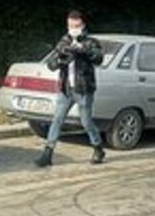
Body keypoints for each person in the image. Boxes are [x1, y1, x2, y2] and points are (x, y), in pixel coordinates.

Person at [35, 10, 106, 167]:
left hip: (84, 89)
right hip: (66, 89)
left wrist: (83, 50)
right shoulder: (64, 41)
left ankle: (98, 148)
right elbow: (51, 64)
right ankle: (47, 153)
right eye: (70, 25)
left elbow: (99, 58)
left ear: (83, 25)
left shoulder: (91, 41)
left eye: (76, 25)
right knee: (57, 120)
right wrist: (61, 59)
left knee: (86, 122)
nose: (73, 28)